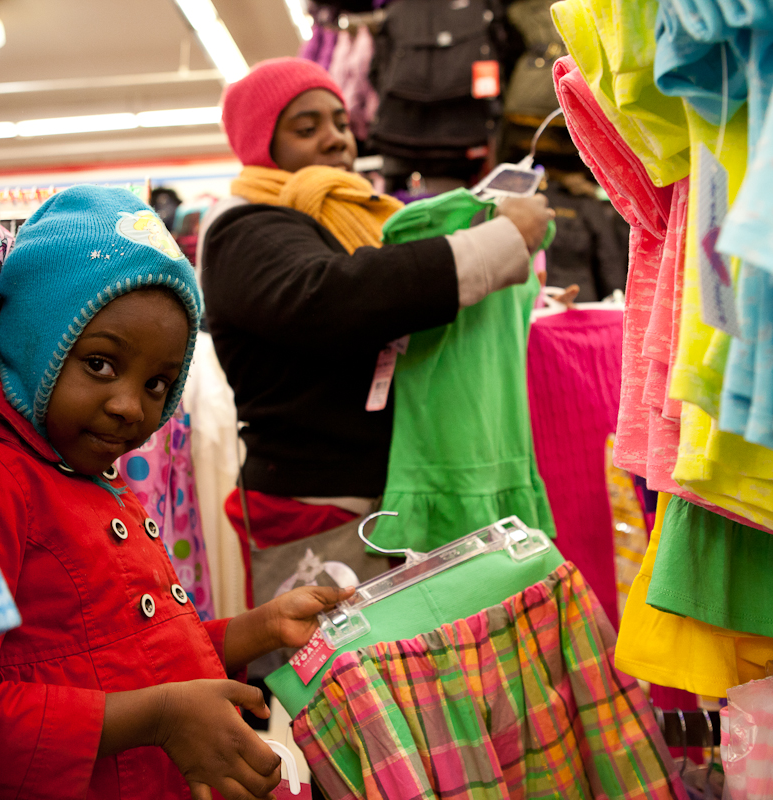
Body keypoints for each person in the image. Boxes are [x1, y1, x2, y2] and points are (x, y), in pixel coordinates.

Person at [0, 185, 351, 800]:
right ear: (35, 339)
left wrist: (258, 629)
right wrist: (160, 717)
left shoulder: (84, 469)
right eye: (101, 364)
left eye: (159, 383)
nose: (129, 408)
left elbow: (127, 655)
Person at [198, 58, 558, 672]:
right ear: (263, 143)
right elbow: (335, 297)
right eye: (305, 126)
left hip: (384, 492)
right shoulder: (246, 227)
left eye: (339, 120)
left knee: (400, 687)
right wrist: (499, 241)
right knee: (337, 689)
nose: (335, 136)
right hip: (323, 501)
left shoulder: (353, 217)